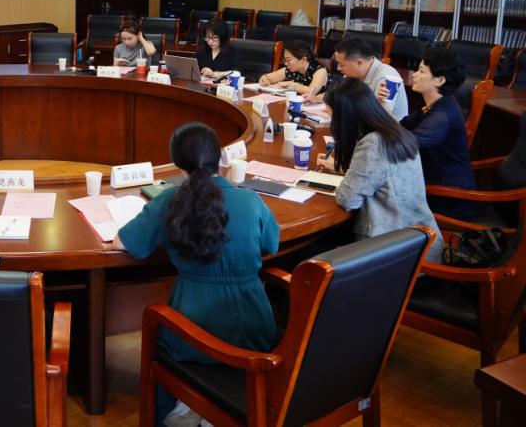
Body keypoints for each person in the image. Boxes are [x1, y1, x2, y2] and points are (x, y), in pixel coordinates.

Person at [109, 122, 280, 426]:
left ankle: (169, 415)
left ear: (177, 163)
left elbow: (125, 243)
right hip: (255, 331)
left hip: (193, 334)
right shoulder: (251, 200)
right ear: (219, 157)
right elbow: (272, 243)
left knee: (158, 335)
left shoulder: (170, 201)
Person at [315, 78, 442, 262]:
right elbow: (380, 176)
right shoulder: (394, 131)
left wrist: (346, 177)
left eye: (332, 116)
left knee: (310, 249)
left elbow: (348, 199)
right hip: (416, 239)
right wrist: (342, 170)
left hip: (392, 251)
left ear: (345, 116)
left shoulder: (373, 143)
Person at [400, 47, 478, 219]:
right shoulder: (433, 105)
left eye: (421, 71)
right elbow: (400, 127)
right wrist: (381, 104)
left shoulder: (442, 116)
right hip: (431, 182)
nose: (414, 75)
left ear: (440, 80)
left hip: (448, 198)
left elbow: (403, 144)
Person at [306, 37, 408, 119]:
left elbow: (380, 117)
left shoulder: (386, 79)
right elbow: (338, 93)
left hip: (386, 133)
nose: (338, 68)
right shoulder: (354, 72)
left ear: (359, 63)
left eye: (342, 64)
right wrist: (317, 98)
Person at [257, 40, 328, 95]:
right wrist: (264, 79)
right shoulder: (291, 70)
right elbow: (268, 78)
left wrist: (289, 84)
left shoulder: (320, 71)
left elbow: (311, 92)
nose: (285, 63)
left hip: (320, 107)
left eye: (289, 60)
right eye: (285, 60)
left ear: (303, 59)